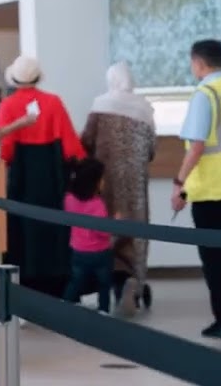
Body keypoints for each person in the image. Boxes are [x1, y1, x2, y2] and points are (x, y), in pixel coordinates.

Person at [171, 39, 221, 339]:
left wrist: (179, 184)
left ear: (198, 63)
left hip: (214, 189)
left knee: (216, 258)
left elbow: (196, 146)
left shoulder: (205, 95)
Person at [0, 55, 83, 298]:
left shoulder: (7, 106)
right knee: (53, 228)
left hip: (21, 180)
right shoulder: (53, 103)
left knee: (21, 231)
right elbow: (71, 148)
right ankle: (56, 282)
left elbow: (5, 151)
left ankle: (25, 284)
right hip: (52, 179)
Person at [82, 61, 156, 316]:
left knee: (106, 234)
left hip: (106, 184)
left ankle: (111, 281)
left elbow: (86, 142)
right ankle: (135, 281)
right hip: (135, 186)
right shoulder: (145, 109)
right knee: (135, 235)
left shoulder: (100, 106)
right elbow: (151, 151)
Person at [62, 158, 115, 313]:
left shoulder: (69, 199)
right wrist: (116, 222)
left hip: (77, 251)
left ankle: (65, 304)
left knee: (75, 281)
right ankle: (104, 310)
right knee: (104, 283)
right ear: (95, 182)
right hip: (100, 253)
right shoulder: (97, 204)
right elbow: (102, 231)